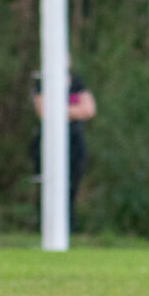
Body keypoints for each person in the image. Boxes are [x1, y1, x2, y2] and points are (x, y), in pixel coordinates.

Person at [31, 70, 96, 229]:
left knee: (71, 187)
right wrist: (73, 111)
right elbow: (43, 112)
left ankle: (70, 228)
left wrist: (57, 110)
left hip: (75, 143)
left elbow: (88, 110)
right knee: (48, 187)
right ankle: (44, 227)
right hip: (47, 141)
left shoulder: (77, 83)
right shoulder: (42, 84)